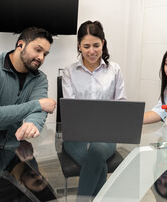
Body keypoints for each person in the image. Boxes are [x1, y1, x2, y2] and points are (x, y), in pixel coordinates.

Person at [62, 20, 127, 199]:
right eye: (86, 46)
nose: (92, 51)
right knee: (99, 164)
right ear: (79, 46)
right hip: (76, 137)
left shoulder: (114, 70)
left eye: (96, 45)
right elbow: (71, 109)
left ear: (103, 44)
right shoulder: (69, 72)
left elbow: (121, 105)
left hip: (105, 136)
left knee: (97, 151)